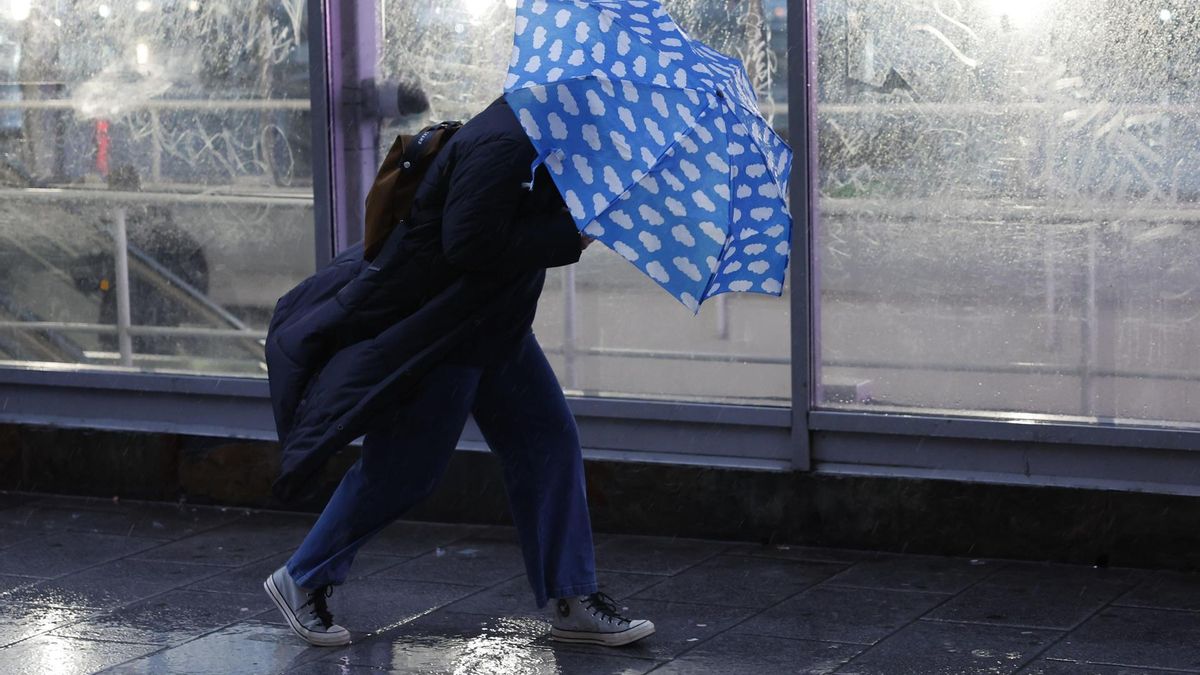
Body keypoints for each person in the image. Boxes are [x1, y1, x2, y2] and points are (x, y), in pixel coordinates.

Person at [262, 95, 655, 648]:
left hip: (495, 329)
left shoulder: (544, 141)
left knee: (548, 442)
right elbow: (467, 243)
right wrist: (573, 235)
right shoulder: (502, 142)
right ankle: (302, 577)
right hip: (446, 334)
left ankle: (572, 596)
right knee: (403, 471)